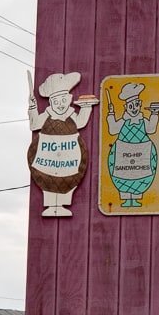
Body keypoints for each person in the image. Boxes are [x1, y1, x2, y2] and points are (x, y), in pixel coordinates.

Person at [28, 70, 97, 217]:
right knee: (47, 179)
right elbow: (34, 125)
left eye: (64, 100)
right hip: (46, 159)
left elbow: (81, 122)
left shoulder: (71, 114)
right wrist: (33, 108)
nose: (60, 105)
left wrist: (86, 107)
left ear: (69, 99)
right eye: (56, 102)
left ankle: (62, 205)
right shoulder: (47, 115)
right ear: (51, 102)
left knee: (69, 179)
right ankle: (51, 206)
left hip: (69, 159)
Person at [106, 81, 159, 207]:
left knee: (142, 175)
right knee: (122, 175)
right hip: (123, 153)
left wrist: (155, 114)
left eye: (136, 105)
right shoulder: (123, 121)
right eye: (131, 106)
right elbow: (113, 129)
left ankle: (135, 199)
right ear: (126, 108)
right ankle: (126, 200)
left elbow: (151, 129)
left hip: (142, 153)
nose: (134, 108)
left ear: (140, 104)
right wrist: (111, 114)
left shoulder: (142, 120)